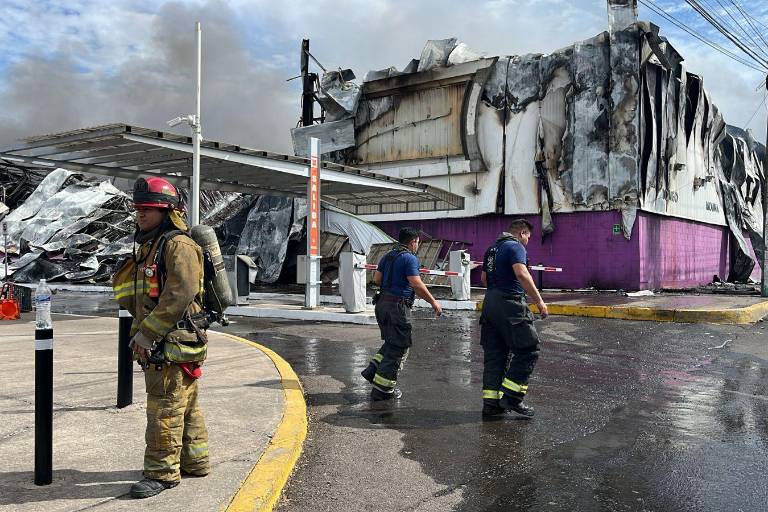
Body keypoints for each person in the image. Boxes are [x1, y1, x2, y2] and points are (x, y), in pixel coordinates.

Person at [112, 177, 210, 498]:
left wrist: (147, 333)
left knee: (163, 408)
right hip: (178, 341)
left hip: (170, 342)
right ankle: (195, 461)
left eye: (149, 208)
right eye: (139, 208)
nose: (141, 214)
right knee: (185, 405)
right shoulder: (152, 246)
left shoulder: (176, 245)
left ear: (167, 211)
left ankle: (162, 472)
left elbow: (179, 293)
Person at [361, 227, 442, 401]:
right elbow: (416, 284)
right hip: (397, 307)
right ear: (413, 241)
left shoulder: (387, 256)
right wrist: (433, 302)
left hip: (382, 304)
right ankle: (383, 390)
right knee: (400, 346)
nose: (417, 246)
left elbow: (376, 280)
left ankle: (372, 370)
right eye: (417, 243)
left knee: (392, 341)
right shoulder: (409, 258)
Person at [479, 219, 548, 418]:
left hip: (490, 303)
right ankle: (512, 398)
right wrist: (539, 302)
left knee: (495, 355)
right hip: (510, 302)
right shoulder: (515, 247)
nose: (528, 241)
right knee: (528, 349)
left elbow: (484, 279)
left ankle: (491, 404)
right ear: (523, 233)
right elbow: (522, 274)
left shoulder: (491, 249)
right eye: (528, 237)